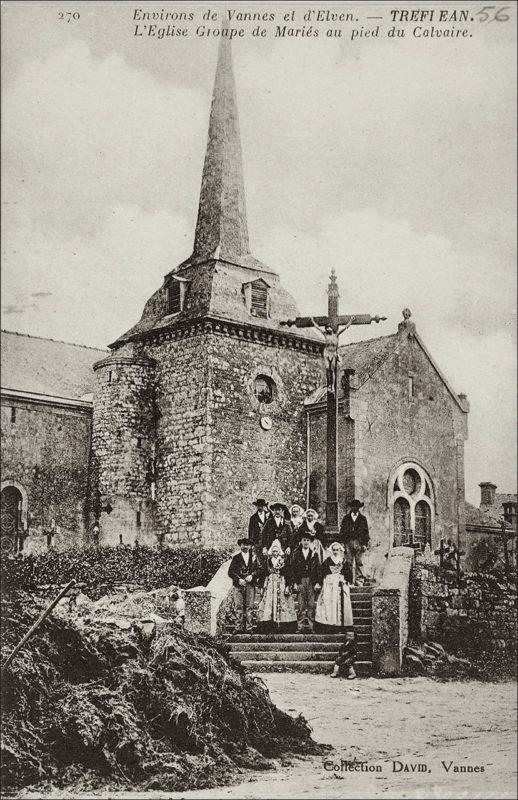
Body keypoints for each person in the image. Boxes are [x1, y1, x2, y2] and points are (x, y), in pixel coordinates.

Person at [256, 542, 297, 632]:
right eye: (273, 551)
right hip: (271, 583)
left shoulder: (283, 561)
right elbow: (263, 573)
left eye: (277, 551)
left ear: (279, 551)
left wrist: (288, 586)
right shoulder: (267, 561)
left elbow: (288, 574)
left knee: (283, 602)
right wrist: (262, 586)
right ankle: (270, 624)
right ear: (271, 551)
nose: (275, 553)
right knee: (269, 602)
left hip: (281, 582)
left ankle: (283, 624)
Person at [314, 542, 353, 633]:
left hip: (340, 584)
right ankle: (329, 625)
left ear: (340, 550)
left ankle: (340, 625)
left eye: (337, 550)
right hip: (329, 584)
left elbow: (348, 573)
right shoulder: (327, 561)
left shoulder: (344, 561)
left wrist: (347, 580)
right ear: (331, 550)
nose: (335, 551)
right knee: (328, 604)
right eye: (334, 550)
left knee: (339, 604)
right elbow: (321, 572)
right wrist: (320, 582)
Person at [228, 537, 261, 633]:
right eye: (243, 544)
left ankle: (249, 627)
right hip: (238, 586)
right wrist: (238, 579)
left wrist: (252, 575)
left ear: (250, 546)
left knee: (249, 606)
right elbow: (230, 572)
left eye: (247, 545)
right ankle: (238, 627)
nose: (245, 546)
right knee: (238, 606)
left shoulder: (254, 557)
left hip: (250, 585)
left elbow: (260, 569)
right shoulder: (236, 558)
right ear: (240, 546)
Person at [290, 533, 320, 631]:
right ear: (301, 541)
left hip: (311, 581)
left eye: (308, 540)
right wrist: (294, 582)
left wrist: (317, 582)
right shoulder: (296, 554)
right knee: (301, 605)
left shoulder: (314, 554)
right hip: (300, 581)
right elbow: (293, 569)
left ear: (310, 542)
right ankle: (300, 627)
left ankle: (312, 627)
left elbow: (318, 569)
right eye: (304, 540)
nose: (306, 542)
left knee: (311, 605)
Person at [339, 499, 371, 585]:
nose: (355, 508)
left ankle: (359, 581)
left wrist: (364, 544)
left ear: (359, 508)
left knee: (359, 562)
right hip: (348, 542)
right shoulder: (346, 518)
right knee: (348, 562)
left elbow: (366, 532)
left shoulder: (363, 519)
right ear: (351, 507)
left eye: (357, 507)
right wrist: (342, 543)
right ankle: (348, 581)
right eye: (353, 507)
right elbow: (342, 531)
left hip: (359, 543)